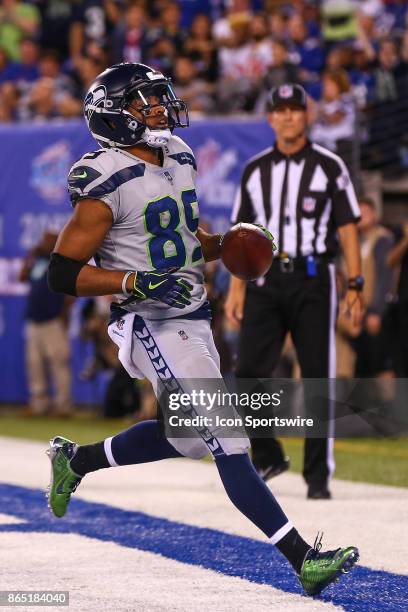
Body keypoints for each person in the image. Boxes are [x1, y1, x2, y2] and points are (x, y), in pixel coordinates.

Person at [46, 63, 358, 596]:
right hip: (147, 321)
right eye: (145, 102)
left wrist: (223, 245)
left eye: (159, 98)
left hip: (193, 315)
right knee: (228, 438)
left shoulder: (178, 154)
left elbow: (185, 234)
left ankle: (76, 460)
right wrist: (132, 282)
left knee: (187, 438)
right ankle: (302, 558)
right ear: (115, 115)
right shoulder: (104, 178)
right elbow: (62, 273)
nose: (160, 108)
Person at [225, 83, 364, 500]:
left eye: (294, 109)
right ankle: (268, 452)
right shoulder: (255, 170)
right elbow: (241, 236)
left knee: (317, 375)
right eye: (280, 110)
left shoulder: (329, 165)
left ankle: (318, 477)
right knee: (248, 372)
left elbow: (348, 228)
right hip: (265, 281)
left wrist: (355, 283)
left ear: (307, 116)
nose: (287, 116)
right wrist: (236, 289)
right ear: (271, 118)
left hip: (312, 278)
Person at [19, 230, 73, 417]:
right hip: (34, 320)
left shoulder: (61, 261)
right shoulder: (39, 260)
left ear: (56, 242)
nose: (43, 242)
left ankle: (63, 406)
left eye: (47, 239)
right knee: (34, 364)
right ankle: (39, 404)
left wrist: (64, 316)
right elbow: (22, 277)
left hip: (53, 320)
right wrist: (31, 256)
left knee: (58, 363)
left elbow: (69, 295)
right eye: (42, 239)